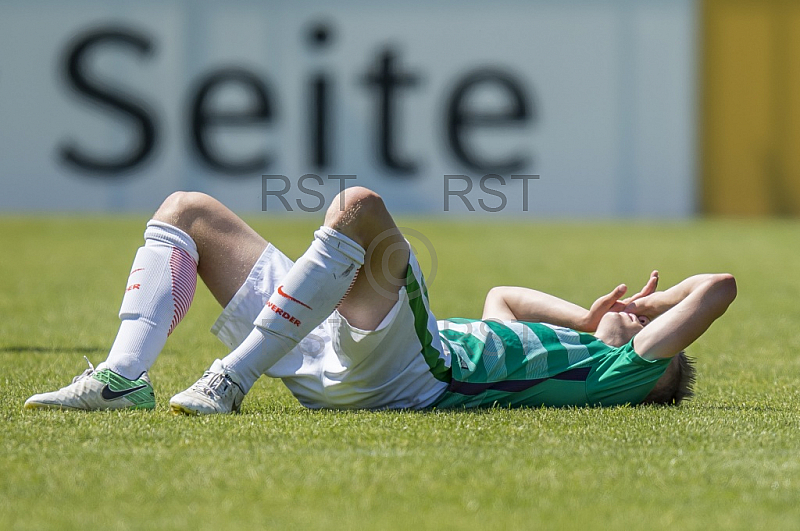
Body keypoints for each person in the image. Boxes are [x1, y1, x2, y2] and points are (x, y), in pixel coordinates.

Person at [24, 187, 737, 413]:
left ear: (651, 368)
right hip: (322, 339)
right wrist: (583, 315)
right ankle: (123, 379)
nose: (643, 314)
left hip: (412, 373)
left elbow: (717, 288)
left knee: (359, 207)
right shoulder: (563, 347)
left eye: (657, 333)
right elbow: (502, 297)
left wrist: (655, 309)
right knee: (187, 211)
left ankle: (231, 378)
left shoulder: (617, 372)